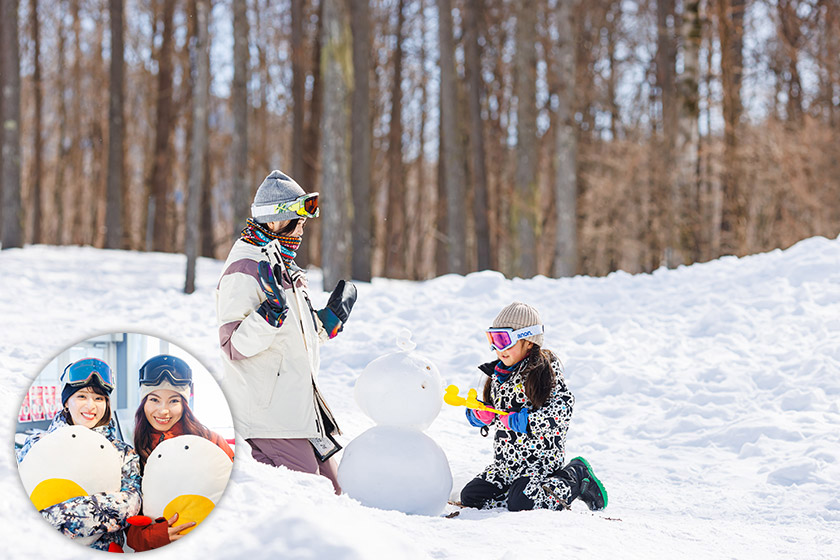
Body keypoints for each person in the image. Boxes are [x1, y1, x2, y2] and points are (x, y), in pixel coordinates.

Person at [216, 170, 356, 494]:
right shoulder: (244, 268)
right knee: (314, 498)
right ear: (278, 222)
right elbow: (233, 345)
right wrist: (270, 315)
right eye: (300, 222)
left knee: (336, 491)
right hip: (269, 416)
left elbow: (293, 333)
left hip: (299, 409)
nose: (304, 230)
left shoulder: (283, 263)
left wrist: (328, 322)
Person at [459, 302, 608, 512]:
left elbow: (563, 411)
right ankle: (516, 492)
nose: (498, 348)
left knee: (523, 503)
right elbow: (489, 409)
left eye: (504, 340)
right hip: (506, 467)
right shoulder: (497, 375)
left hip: (538, 465)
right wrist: (479, 416)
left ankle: (575, 477)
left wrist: (528, 421)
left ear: (529, 341)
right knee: (471, 497)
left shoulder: (545, 372)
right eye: (493, 339)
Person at [16, 358, 141, 552]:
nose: (91, 406)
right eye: (82, 396)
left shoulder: (123, 453)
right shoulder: (37, 444)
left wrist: (51, 517)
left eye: (99, 398)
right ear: (67, 402)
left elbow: (130, 504)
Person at [126, 354, 234, 551]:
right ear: (144, 403)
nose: (163, 411)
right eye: (154, 399)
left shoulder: (211, 442)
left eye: (173, 401)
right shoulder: (134, 454)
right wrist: (159, 535)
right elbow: (130, 534)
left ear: (184, 404)